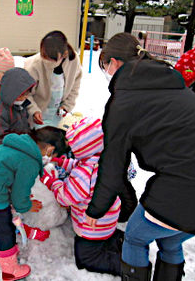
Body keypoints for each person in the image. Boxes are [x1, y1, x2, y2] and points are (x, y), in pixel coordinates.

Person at [84, 33, 195, 281]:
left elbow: (113, 164)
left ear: (115, 63)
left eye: (104, 65)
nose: (106, 72)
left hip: (186, 185)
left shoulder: (125, 101)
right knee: (170, 238)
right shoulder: (174, 86)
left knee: (136, 236)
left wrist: (96, 210)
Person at [0, 127, 67, 280]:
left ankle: (2, 254)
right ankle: (10, 271)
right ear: (50, 150)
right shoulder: (29, 161)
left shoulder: (17, 145)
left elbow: (5, 174)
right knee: (5, 233)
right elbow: (19, 197)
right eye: (52, 155)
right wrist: (27, 205)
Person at [41, 117, 137, 276]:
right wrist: (63, 163)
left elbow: (67, 197)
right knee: (105, 238)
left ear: (83, 148)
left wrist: (54, 183)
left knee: (86, 258)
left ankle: (128, 268)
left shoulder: (84, 173)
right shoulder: (105, 159)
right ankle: (118, 240)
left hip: (92, 227)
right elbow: (80, 165)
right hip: (107, 218)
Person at [24, 30, 82, 127]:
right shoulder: (33, 66)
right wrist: (33, 111)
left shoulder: (73, 61)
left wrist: (67, 106)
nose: (46, 60)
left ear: (64, 54)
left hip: (58, 113)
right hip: (38, 114)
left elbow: (75, 86)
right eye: (43, 56)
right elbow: (25, 94)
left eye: (50, 58)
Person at [0, 67, 35, 150]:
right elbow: (0, 138)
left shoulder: (20, 105)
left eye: (27, 94)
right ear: (12, 92)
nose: (24, 98)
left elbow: (25, 125)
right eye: (21, 95)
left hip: (20, 146)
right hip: (5, 151)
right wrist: (19, 146)